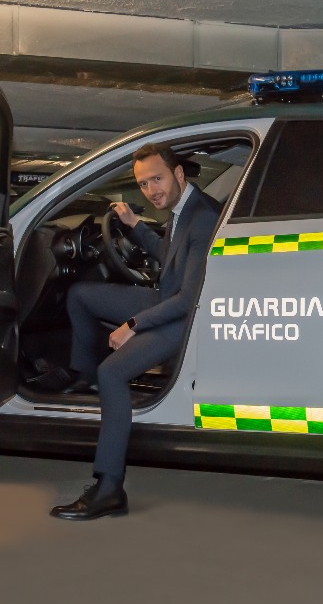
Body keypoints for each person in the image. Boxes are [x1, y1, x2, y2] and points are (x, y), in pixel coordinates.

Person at [47, 143, 220, 521]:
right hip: (166, 300)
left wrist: (133, 325)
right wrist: (134, 225)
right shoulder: (181, 208)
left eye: (156, 179)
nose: (150, 190)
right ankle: (84, 378)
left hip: (184, 318)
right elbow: (168, 254)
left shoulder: (203, 216)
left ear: (178, 174)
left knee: (114, 372)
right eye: (142, 184)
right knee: (80, 295)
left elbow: (190, 297)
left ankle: (109, 489)